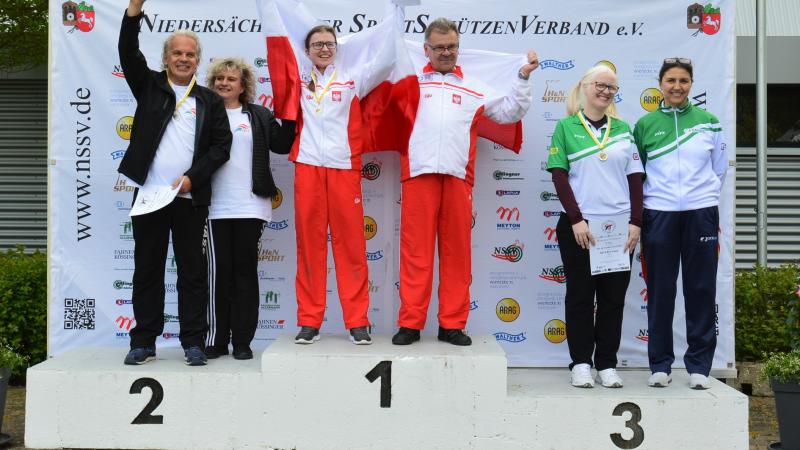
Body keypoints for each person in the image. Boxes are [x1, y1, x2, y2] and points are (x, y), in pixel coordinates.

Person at [391, 18, 539, 346]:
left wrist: (522, 77)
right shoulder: (409, 82)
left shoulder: (473, 85)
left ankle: (452, 324)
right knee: (415, 253)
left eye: (452, 47)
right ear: (426, 49)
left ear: (459, 48)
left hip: (459, 176)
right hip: (418, 174)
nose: (446, 53)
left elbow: (510, 112)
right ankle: (411, 324)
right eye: (440, 47)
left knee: (457, 253)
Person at [119, 0, 231, 366]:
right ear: (166, 58)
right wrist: (135, 7)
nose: (184, 59)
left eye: (191, 54)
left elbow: (220, 147)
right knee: (147, 269)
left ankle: (193, 342)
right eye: (178, 53)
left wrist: (191, 179)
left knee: (192, 273)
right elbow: (127, 48)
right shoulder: (148, 85)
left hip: (188, 199)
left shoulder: (209, 100)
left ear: (199, 60)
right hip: (149, 196)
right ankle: (144, 341)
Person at [547, 64, 644, 388]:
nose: (605, 91)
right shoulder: (566, 127)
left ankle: (606, 364)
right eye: (600, 85)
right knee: (580, 296)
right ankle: (580, 363)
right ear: (585, 86)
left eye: (612, 88)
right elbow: (559, 177)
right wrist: (576, 219)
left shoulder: (623, 129)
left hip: (618, 228)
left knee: (613, 298)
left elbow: (635, 179)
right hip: (580, 226)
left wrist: (635, 222)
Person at [634, 58, 727, 389]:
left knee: (700, 288)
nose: (677, 86)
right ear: (660, 84)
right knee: (661, 290)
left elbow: (719, 169)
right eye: (671, 80)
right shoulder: (645, 125)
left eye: (683, 81)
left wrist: (703, 198)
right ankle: (660, 364)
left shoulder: (709, 122)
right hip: (658, 214)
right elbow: (638, 173)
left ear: (691, 84)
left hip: (700, 213)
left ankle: (699, 365)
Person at [204, 57, 295, 360]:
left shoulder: (258, 115)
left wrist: (291, 112)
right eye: (219, 78)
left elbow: (282, 145)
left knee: (245, 274)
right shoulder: (202, 113)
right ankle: (216, 340)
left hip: (251, 206)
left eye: (231, 79)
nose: (224, 83)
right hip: (214, 207)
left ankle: (242, 341)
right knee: (219, 275)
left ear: (243, 86)